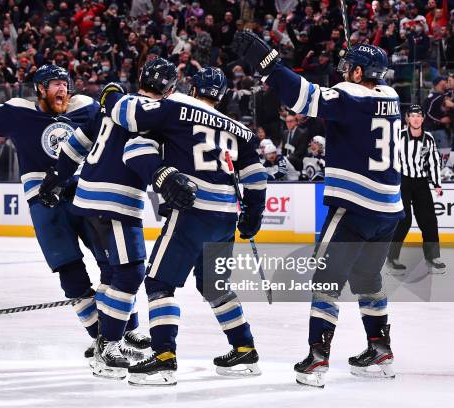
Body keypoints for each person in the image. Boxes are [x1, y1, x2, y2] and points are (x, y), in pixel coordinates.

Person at [0, 65, 145, 360]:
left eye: (65, 84)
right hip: (43, 202)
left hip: (85, 194)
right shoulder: (19, 111)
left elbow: (115, 123)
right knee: (71, 274)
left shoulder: (86, 108)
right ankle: (101, 337)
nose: (62, 89)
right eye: (55, 84)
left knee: (114, 263)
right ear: (40, 88)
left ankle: (129, 328)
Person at [234, 31, 403, 387]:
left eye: (349, 67)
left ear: (359, 73)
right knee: (368, 279)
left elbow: (302, 97)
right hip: (389, 210)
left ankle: (317, 358)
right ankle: (381, 349)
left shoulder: (349, 95)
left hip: (355, 206)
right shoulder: (392, 95)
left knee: (325, 280)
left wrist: (270, 65)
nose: (344, 72)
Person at [100, 66, 268, 386]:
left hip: (191, 210)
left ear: (192, 88)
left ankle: (164, 357)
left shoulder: (176, 105)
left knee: (160, 283)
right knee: (215, 286)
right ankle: (244, 348)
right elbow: (256, 173)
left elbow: (129, 114)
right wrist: (254, 213)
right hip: (225, 217)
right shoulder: (239, 128)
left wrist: (111, 97)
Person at [41, 58, 176, 379]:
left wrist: (55, 179)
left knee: (115, 272)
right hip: (115, 201)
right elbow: (143, 156)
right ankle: (109, 344)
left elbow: (75, 144)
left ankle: (110, 335)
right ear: (169, 89)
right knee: (130, 274)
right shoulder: (154, 114)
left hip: (85, 198)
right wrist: (167, 197)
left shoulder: (109, 108)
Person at [387, 105, 445, 273]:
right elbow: (388, 158)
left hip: (421, 182)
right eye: (412, 115)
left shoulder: (428, 138)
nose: (416, 118)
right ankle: (392, 257)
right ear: (407, 118)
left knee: (429, 221)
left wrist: (437, 184)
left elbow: (433, 162)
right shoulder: (398, 137)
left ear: (423, 118)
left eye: (419, 115)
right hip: (402, 181)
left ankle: (433, 256)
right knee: (403, 221)